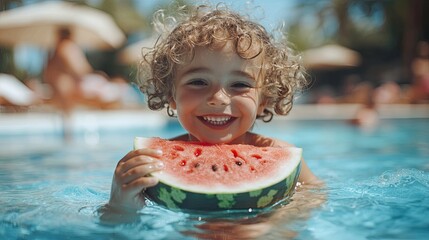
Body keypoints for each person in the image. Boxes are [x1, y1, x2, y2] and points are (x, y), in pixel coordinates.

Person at [104, 4, 320, 219]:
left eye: (239, 85)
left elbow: (314, 198)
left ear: (263, 99)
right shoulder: (153, 162)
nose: (218, 99)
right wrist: (120, 204)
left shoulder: (285, 155)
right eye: (198, 81)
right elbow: (116, 227)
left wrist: (274, 225)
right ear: (171, 96)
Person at [43, 27, 93, 114]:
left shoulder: (58, 49)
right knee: (68, 116)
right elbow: (81, 69)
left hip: (61, 89)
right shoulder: (67, 47)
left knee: (65, 115)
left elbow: (47, 72)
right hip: (66, 89)